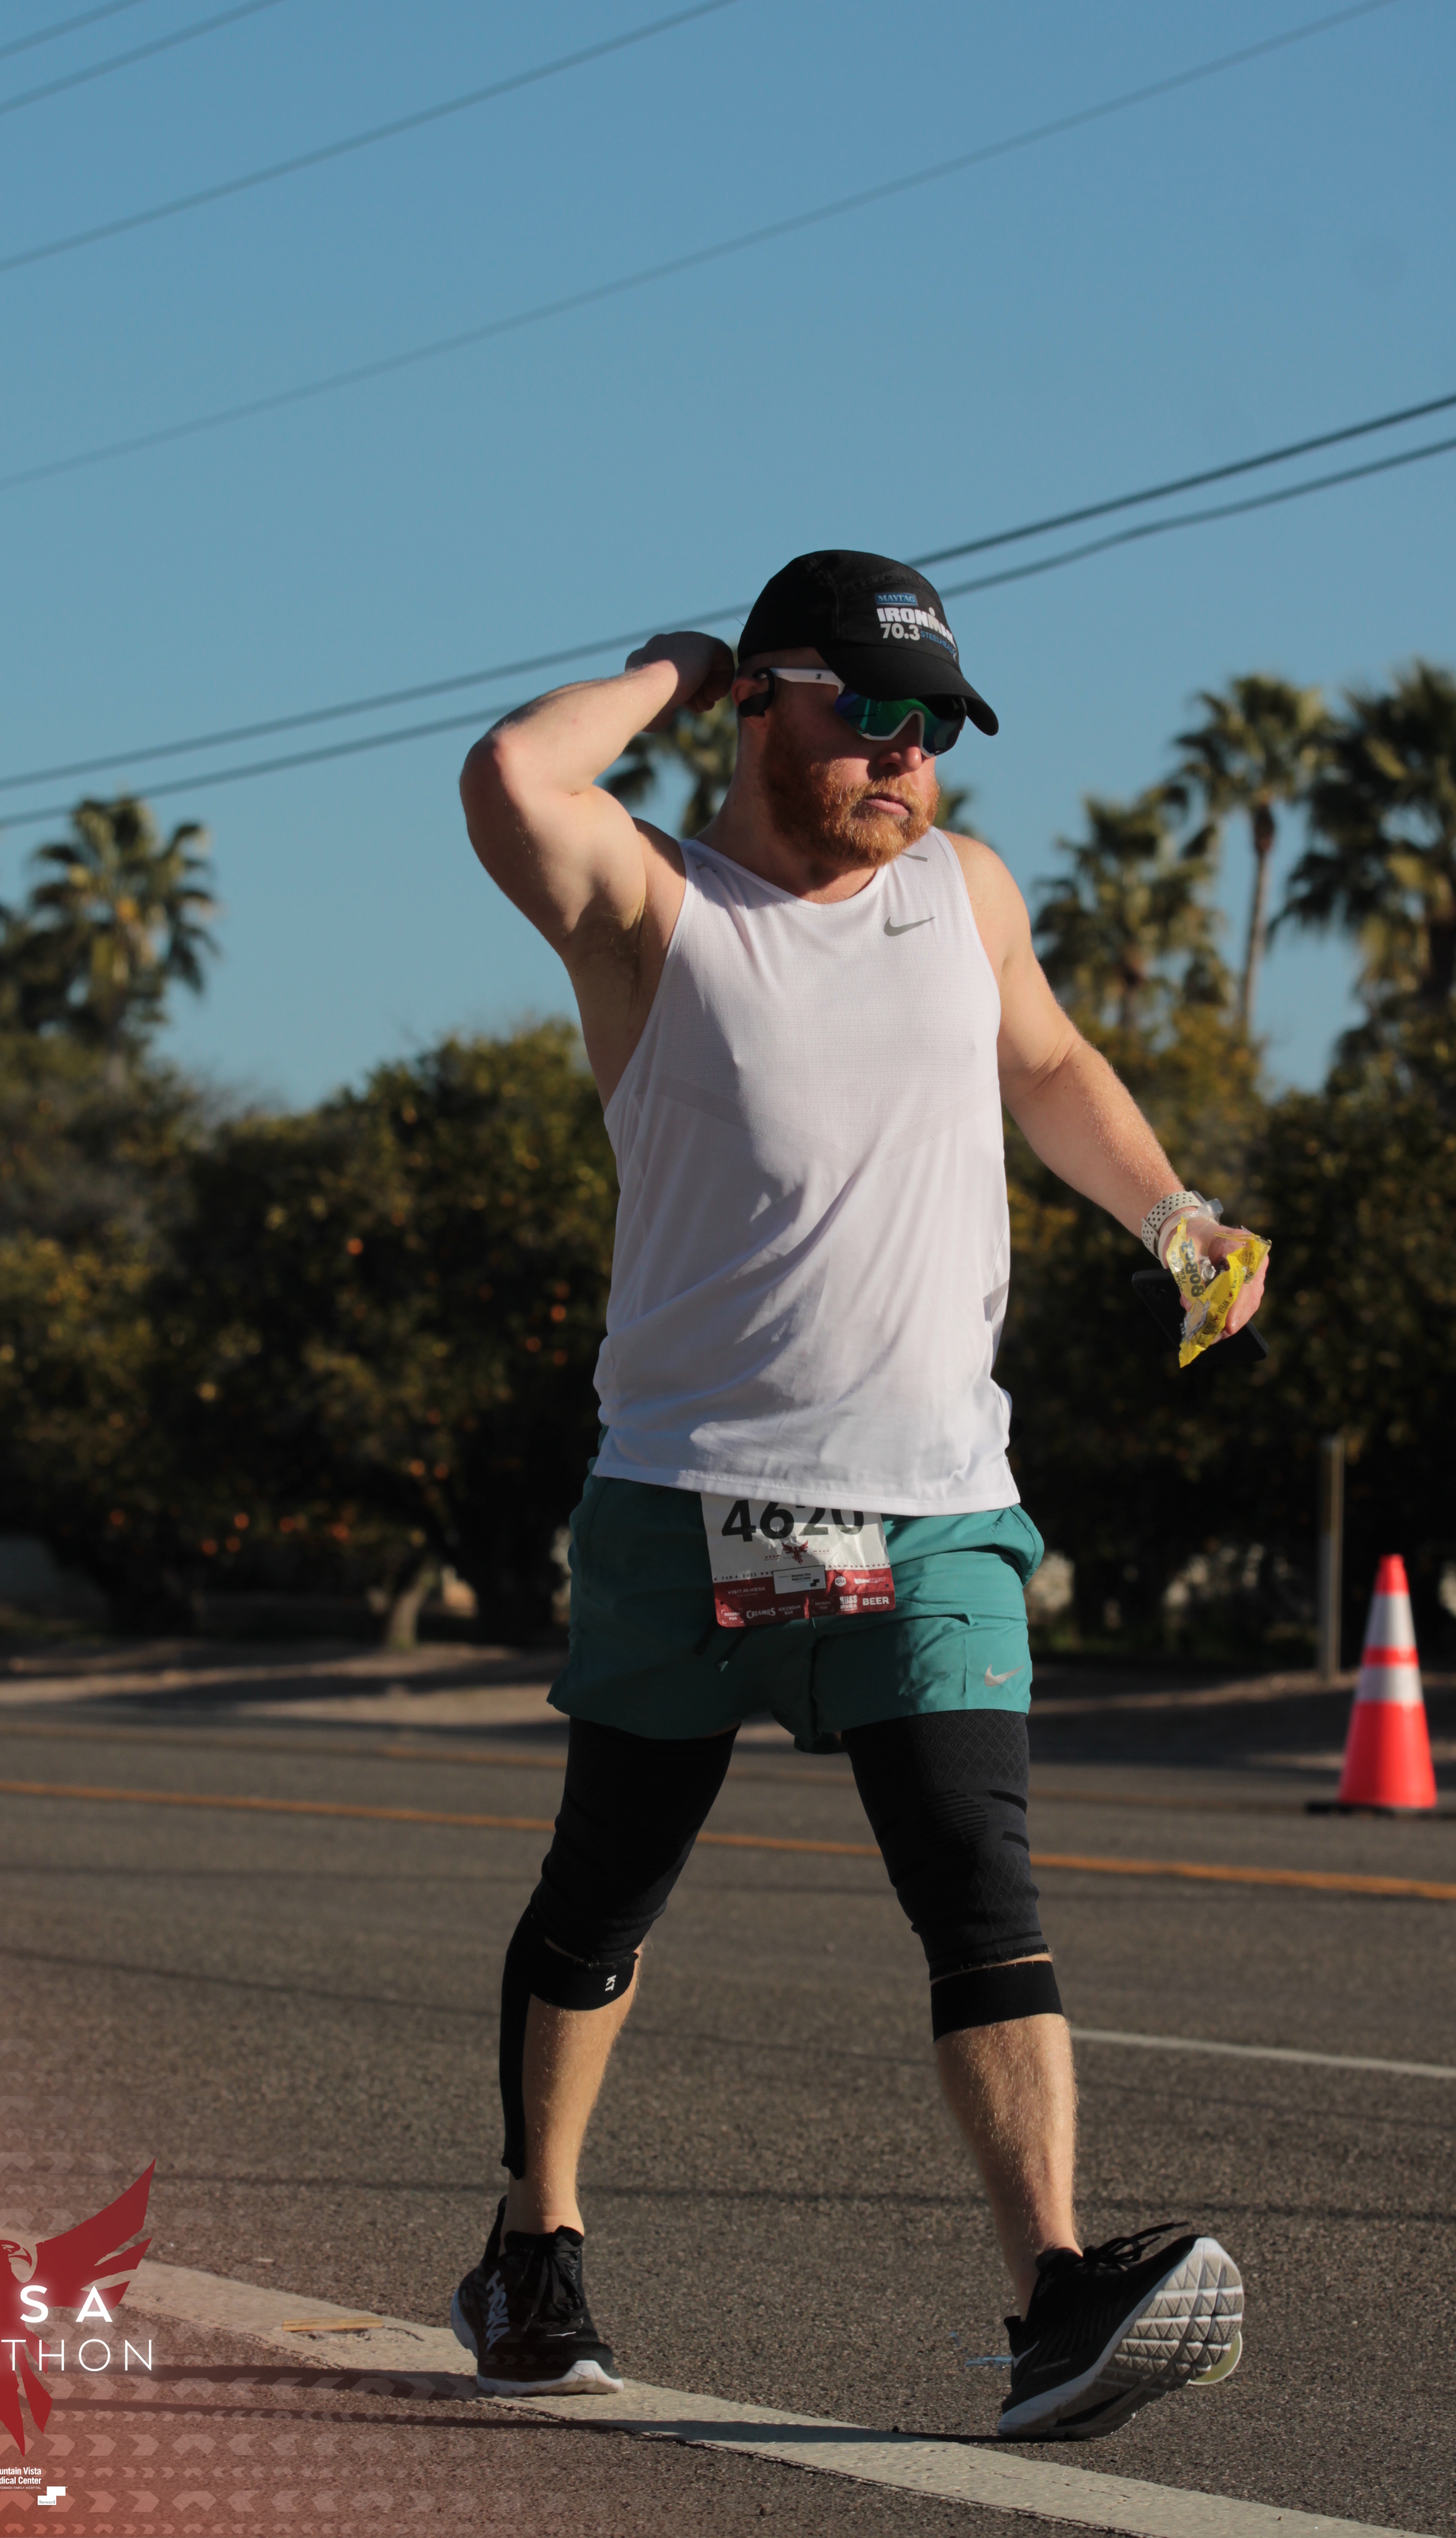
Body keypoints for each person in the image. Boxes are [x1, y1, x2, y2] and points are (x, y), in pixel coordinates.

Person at [449, 550, 1262, 2439]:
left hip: (933, 1507)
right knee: (606, 1890)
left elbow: (1046, 1060)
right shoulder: (651, 906)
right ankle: (535, 2237)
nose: (911, 759)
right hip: (689, 1500)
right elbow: (510, 775)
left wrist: (1173, 1215)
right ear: (767, 700)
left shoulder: (964, 894)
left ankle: (1054, 2299)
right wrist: (674, 663)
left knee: (981, 1885)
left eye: (939, 729)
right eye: (874, 714)